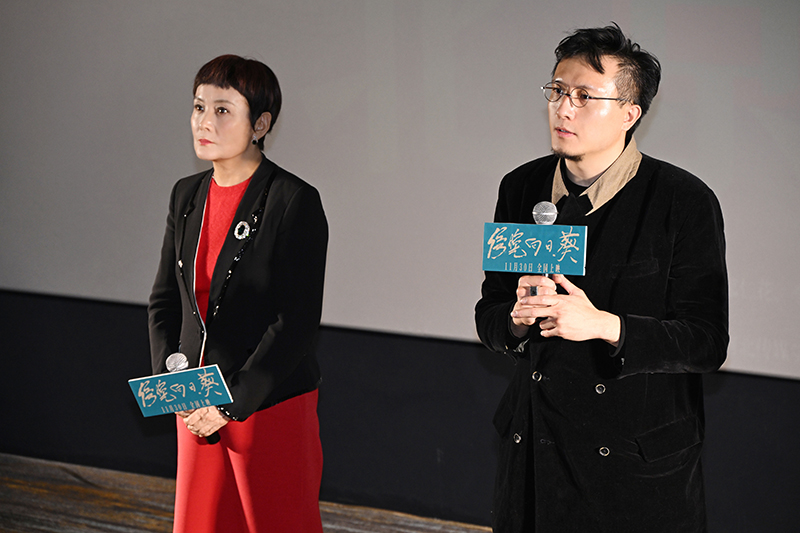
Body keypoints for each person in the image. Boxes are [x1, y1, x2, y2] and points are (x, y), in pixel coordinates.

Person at [475, 24, 728, 533]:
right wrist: (517, 321)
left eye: (585, 97)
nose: (564, 108)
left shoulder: (682, 200)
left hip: (631, 466)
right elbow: (490, 312)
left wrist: (606, 326)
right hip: (537, 452)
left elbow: (706, 342)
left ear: (630, 114)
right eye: (557, 91)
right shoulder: (521, 187)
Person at [148, 54, 328, 533]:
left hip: (266, 403)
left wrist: (229, 403)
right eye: (198, 107)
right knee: (200, 524)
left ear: (260, 124)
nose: (204, 122)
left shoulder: (294, 200)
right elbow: (164, 300)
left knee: (279, 523)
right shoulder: (186, 195)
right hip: (196, 403)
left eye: (222, 110)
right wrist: (172, 386)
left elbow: (295, 322)